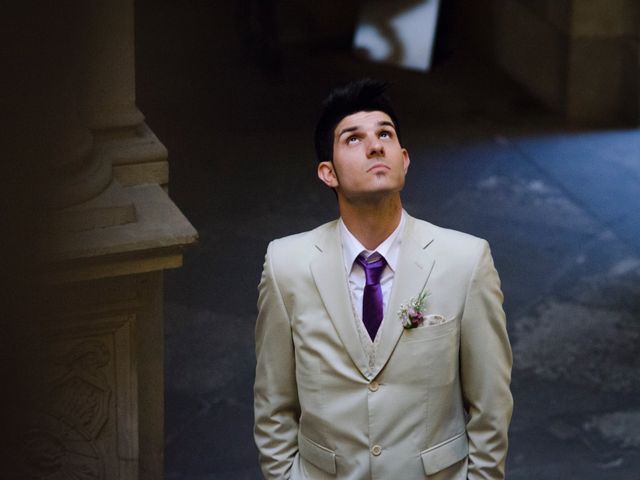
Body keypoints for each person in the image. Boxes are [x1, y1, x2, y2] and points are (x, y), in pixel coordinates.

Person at [253, 79, 513, 479]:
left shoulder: (465, 260)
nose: (375, 145)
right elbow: (273, 404)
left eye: (385, 134)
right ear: (328, 172)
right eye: (353, 139)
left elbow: (491, 405)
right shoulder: (286, 264)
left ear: (404, 159)